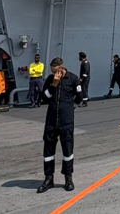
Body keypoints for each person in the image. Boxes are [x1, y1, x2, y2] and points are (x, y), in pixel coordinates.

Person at [37, 57, 82, 194]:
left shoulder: (73, 79)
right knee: (48, 151)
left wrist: (68, 109)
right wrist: (54, 84)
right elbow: (44, 97)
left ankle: (68, 178)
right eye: (52, 71)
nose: (55, 73)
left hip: (66, 121)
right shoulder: (50, 80)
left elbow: (79, 98)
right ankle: (48, 178)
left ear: (62, 68)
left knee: (67, 150)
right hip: (51, 120)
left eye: (56, 71)